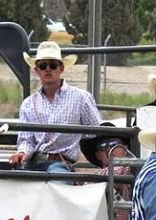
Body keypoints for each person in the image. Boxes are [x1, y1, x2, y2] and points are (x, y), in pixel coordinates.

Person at [8, 41, 102, 173]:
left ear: (61, 68)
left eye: (52, 65)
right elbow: (26, 140)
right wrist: (22, 153)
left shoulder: (81, 98)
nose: (47, 69)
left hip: (63, 163)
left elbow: (96, 133)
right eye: (42, 65)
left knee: (58, 179)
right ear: (36, 71)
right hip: (33, 162)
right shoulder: (28, 104)